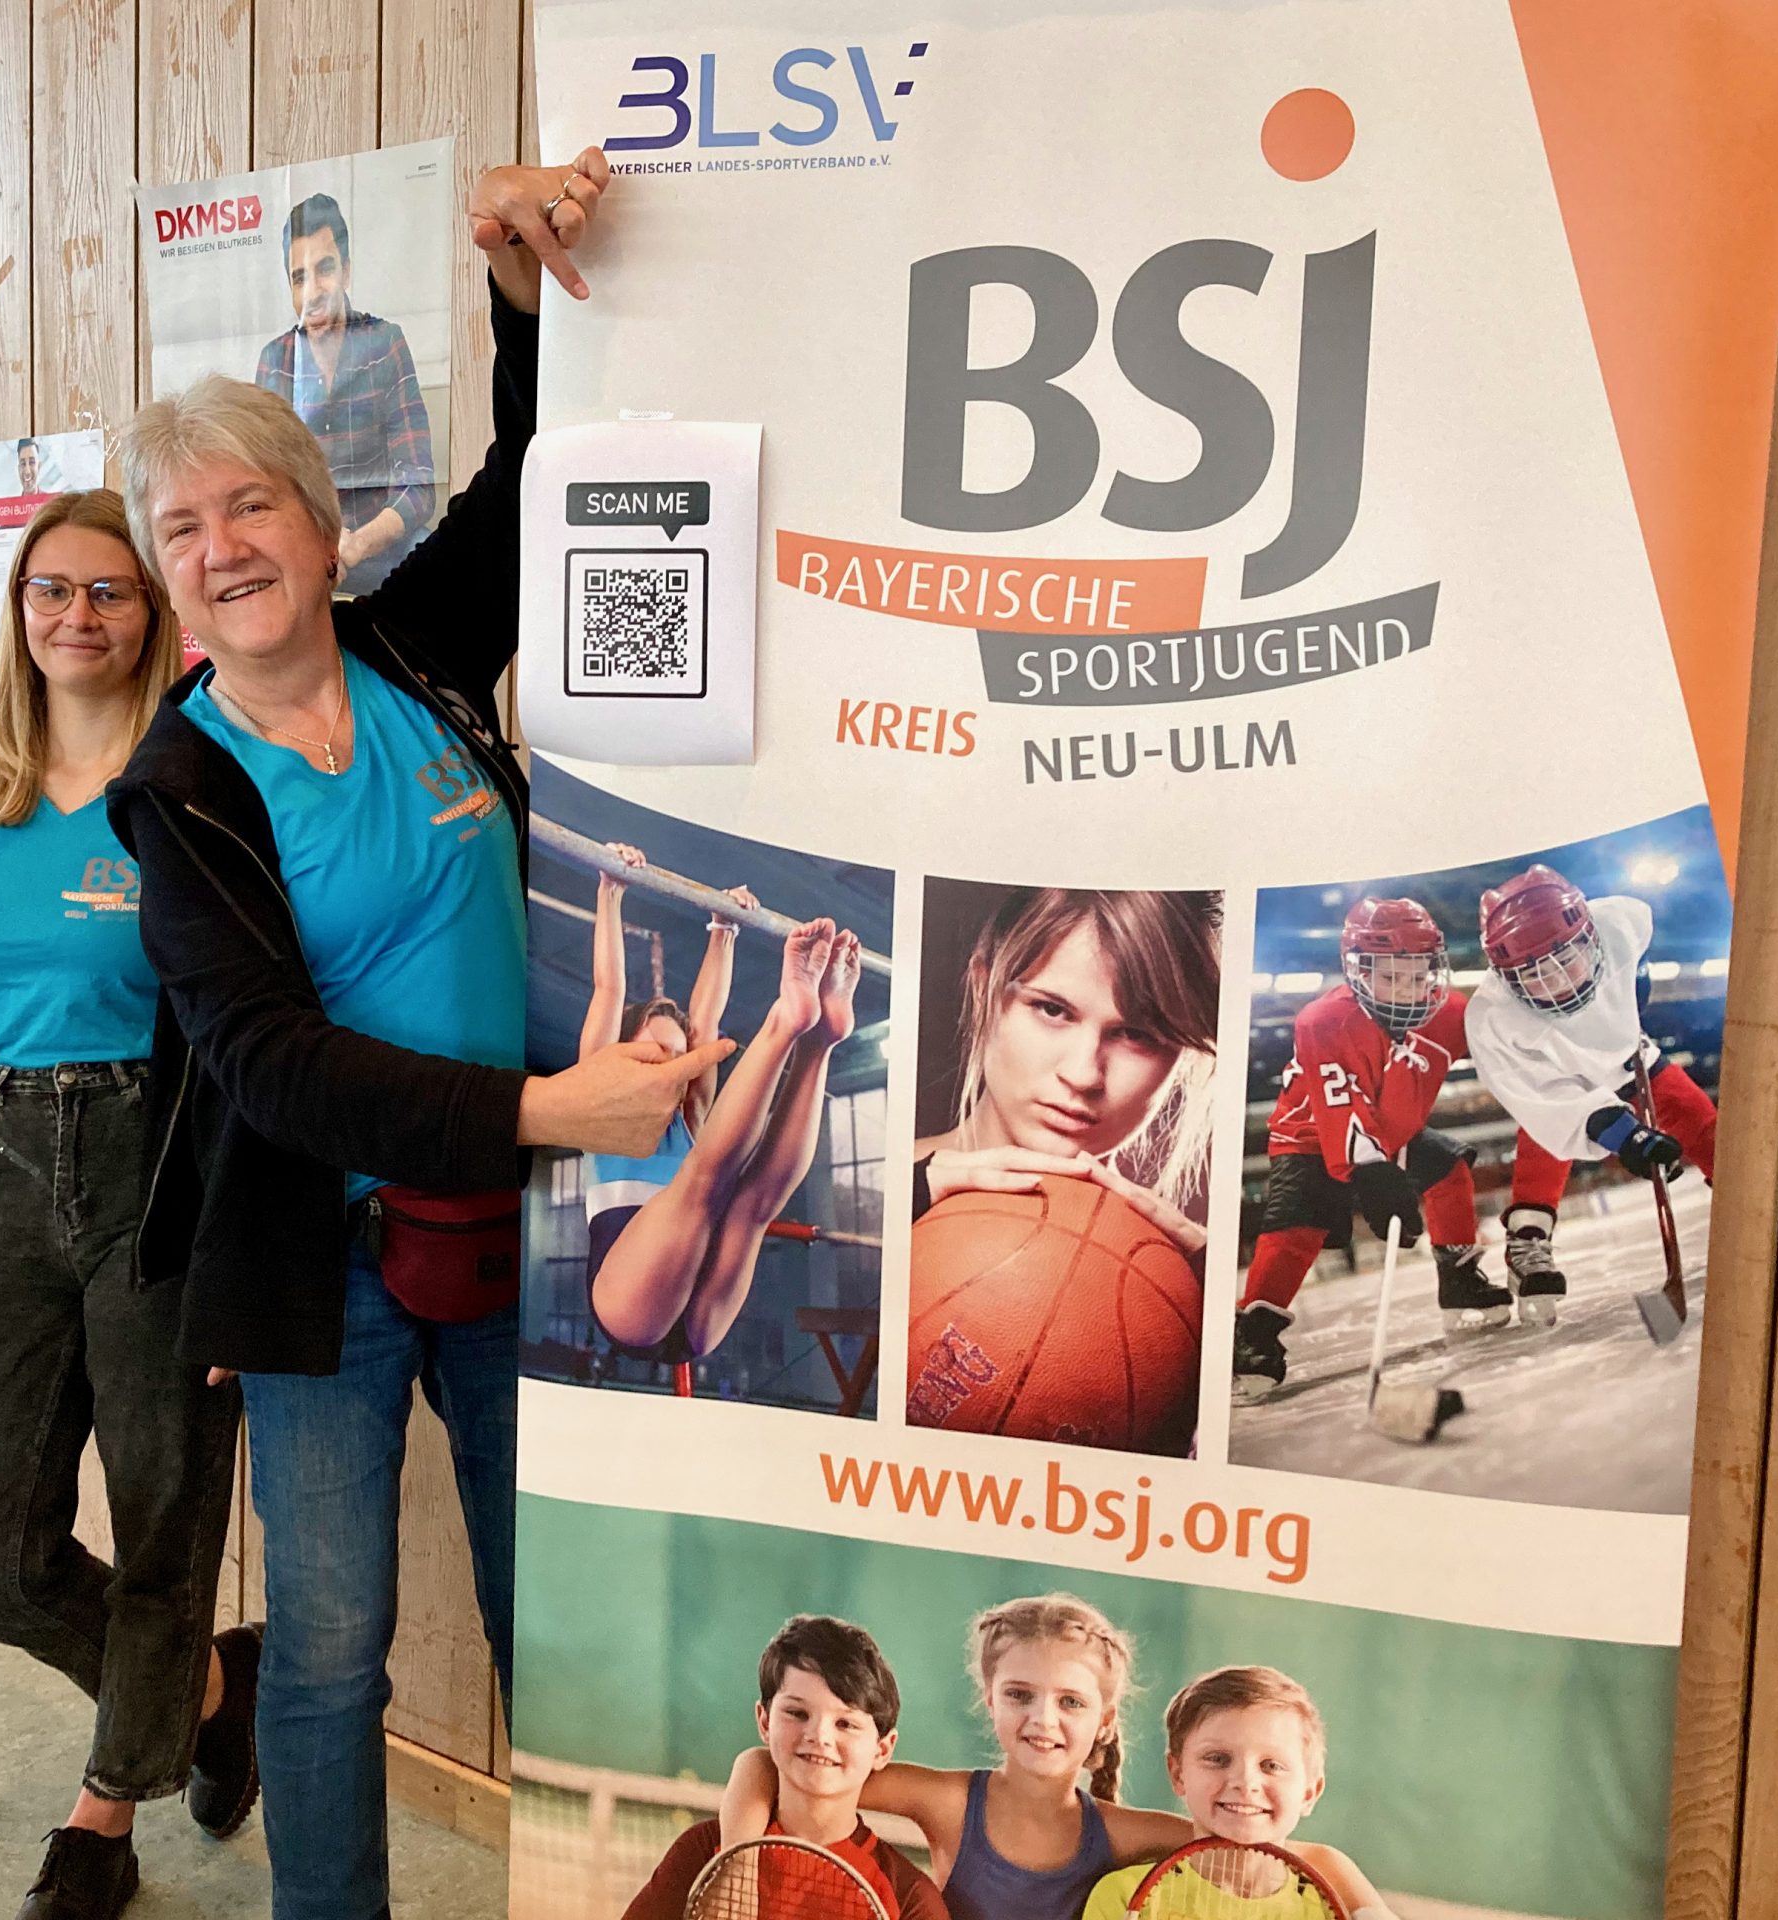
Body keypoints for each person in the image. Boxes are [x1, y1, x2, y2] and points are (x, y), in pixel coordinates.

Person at [109, 153, 724, 1920]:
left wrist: (519, 297)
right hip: (330, 1267)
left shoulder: (412, 657)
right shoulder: (178, 787)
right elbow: (272, 1068)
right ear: (169, 578)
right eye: (182, 530)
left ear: (322, 525)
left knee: (556, 1622)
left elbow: (532, 480)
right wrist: (548, 1110)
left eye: (250, 507)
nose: (222, 548)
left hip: (522, 1238)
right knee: (326, 1652)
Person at [0, 488, 252, 1920]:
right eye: (52, 590)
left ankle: (104, 1814)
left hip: (158, 1173)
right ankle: (212, 1690)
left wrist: (239, 1242)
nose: (77, 615)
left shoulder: (203, 781)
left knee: (164, 1518)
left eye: (109, 591)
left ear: (153, 617)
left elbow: (247, 1029)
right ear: (18, 609)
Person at [721, 1594, 1191, 1915]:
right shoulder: (950, 1802)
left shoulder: (1121, 1833)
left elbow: (1226, 1849)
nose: (1043, 1720)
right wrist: (736, 1871)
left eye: (1071, 1702)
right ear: (990, 1701)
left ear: (1105, 1721)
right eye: (1019, 1695)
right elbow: (762, 1764)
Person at [580, 841, 863, 1361]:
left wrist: (724, 929)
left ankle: (817, 1041)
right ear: (620, 1051)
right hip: (627, 1302)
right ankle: (788, 1021)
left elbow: (705, 1022)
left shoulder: (687, 1113)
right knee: (706, 1182)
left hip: (697, 1317)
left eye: (677, 1054)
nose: (671, 1065)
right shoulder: (596, 1103)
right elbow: (608, 988)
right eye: (655, 1052)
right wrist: (610, 890)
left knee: (753, 1202)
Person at [1233, 896, 1515, 1402]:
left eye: (1418, 975)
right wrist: (1373, 1173)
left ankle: (1459, 1281)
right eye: (1391, 977)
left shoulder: (1450, 1012)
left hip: (1391, 1130)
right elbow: (1342, 1107)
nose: (1408, 989)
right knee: (1300, 1224)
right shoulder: (1323, 1021)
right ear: (1358, 971)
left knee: (1448, 1170)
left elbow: (1506, 1042)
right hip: (1312, 1134)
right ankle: (1253, 1332)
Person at [1464, 865, 1718, 1324]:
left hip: (1633, 1062)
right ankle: (1528, 1238)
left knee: (1709, 1131)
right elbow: (1550, 1104)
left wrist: (1637, 977)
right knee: (1545, 1141)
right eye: (1535, 973)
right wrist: (1628, 1138)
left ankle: (1757, 1207)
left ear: (1591, 937)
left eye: (1566, 959)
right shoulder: (1493, 1018)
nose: (1557, 980)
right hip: (1566, 1081)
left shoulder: (1619, 921)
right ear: (1505, 977)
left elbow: (1639, 930)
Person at [912, 888, 1223, 1247]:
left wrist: (1203, 1275)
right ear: (983, 990)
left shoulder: (1172, 1258)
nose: (1083, 1075)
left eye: (1135, 1035)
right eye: (1052, 1010)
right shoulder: (879, 1192)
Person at [623, 1615, 946, 1920]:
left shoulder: (908, 1897)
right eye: (797, 1713)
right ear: (764, 1722)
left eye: (845, 1724)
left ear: (883, 1748)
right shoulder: (703, 1851)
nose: (819, 1736)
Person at [1079, 1668, 1395, 1920]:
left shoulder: (1331, 1908)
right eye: (1217, 1759)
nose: (1245, 1782)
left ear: (1310, 1792)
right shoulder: (1124, 1896)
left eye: (1272, 1765)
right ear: (1178, 1774)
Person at [253, 190, 437, 595]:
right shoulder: (275, 360)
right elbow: (265, 485)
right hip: (303, 548)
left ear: (347, 272)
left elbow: (419, 484)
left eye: (325, 269)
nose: (313, 291)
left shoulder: (384, 342)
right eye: (299, 278)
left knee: (432, 555)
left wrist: (355, 546)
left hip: (379, 543)